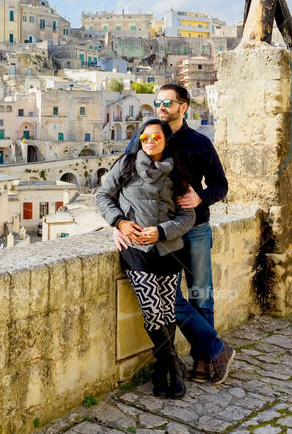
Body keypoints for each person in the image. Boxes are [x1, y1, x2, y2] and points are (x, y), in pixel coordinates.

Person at [124, 83, 233, 385]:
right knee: (169, 299)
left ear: (184, 107)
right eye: (158, 102)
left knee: (201, 296)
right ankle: (215, 347)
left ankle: (202, 359)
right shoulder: (144, 137)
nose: (161, 107)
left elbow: (220, 186)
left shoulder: (200, 143)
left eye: (168, 103)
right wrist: (120, 224)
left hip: (195, 228)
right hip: (162, 235)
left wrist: (200, 198)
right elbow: (122, 179)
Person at [97, 118, 195, 398]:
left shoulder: (178, 173)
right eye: (144, 138)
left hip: (169, 249)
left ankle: (162, 372)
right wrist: (120, 223)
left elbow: (188, 215)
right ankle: (172, 365)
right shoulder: (126, 165)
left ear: (166, 141)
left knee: (167, 311)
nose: (149, 142)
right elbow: (103, 196)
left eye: (156, 138)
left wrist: (162, 231)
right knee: (153, 310)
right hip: (136, 250)